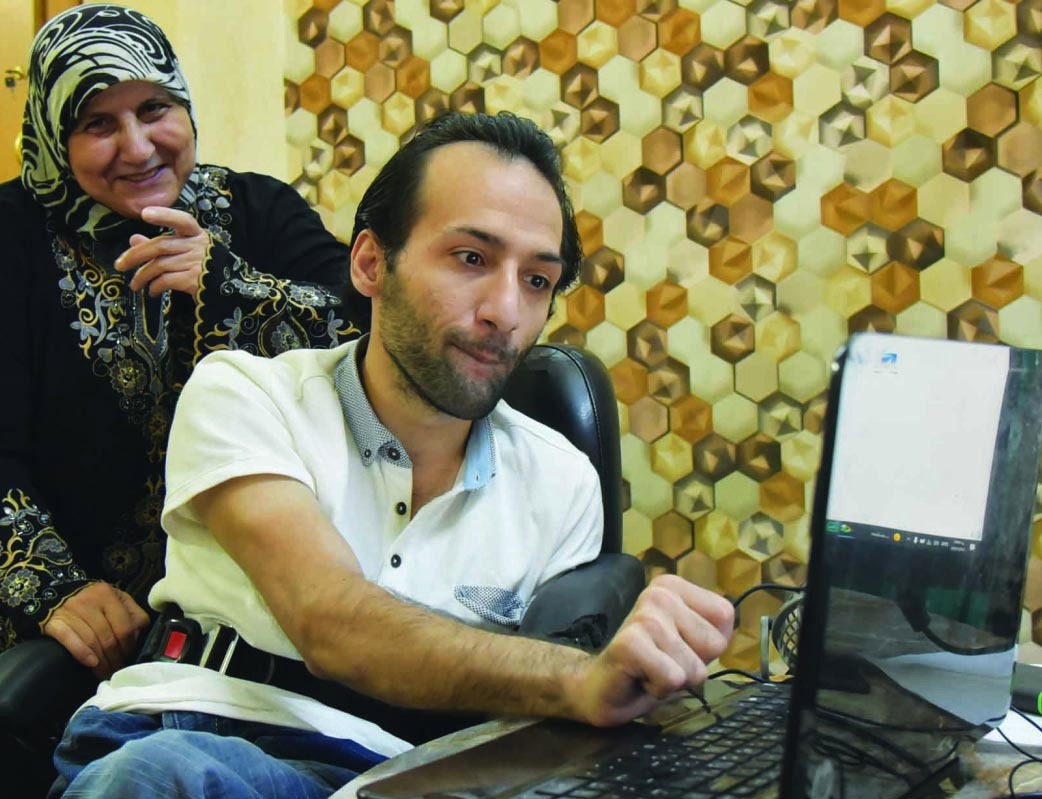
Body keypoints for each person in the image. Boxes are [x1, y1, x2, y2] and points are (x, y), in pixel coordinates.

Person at [47, 111, 734, 799]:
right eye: (471, 258)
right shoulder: (247, 394)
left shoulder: (561, 481)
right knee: (157, 775)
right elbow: (329, 621)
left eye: (537, 280)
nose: (505, 311)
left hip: (399, 773)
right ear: (372, 263)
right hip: (198, 723)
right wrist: (577, 677)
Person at [0, 2, 368, 681]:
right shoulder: (12, 236)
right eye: (98, 123)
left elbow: (372, 335)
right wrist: (53, 588)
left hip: (257, 621)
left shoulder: (256, 210)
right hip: (65, 637)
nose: (139, 147)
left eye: (155, 109)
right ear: (53, 133)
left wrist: (230, 285)